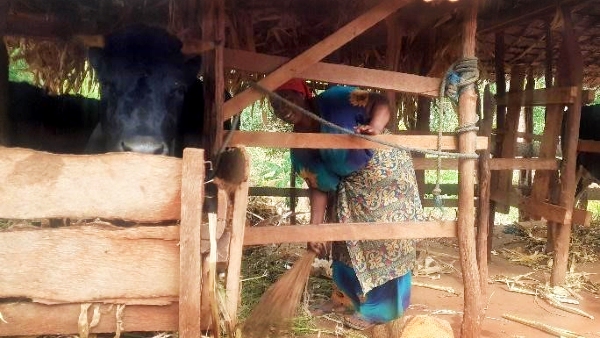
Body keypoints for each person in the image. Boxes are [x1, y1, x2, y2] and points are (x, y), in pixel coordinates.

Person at [270, 79, 425, 330]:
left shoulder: (335, 99)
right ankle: (346, 299)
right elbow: (318, 185)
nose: (282, 107)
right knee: (343, 242)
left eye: (288, 97)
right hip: (349, 188)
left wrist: (375, 127)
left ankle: (382, 311)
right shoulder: (299, 144)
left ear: (305, 94)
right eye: (275, 104)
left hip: (383, 174)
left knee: (384, 242)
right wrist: (315, 229)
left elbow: (380, 101)